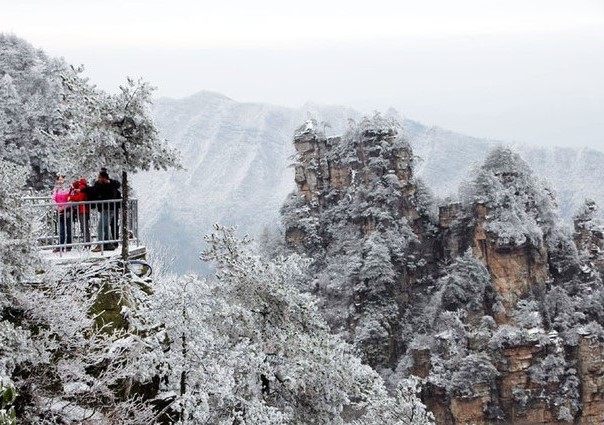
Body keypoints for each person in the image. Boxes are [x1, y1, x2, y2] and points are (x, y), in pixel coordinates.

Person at [90, 171, 121, 252]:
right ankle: (110, 244)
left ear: (105, 178)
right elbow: (94, 190)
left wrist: (108, 182)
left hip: (109, 208)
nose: (99, 179)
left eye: (101, 178)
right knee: (106, 226)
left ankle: (100, 245)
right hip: (104, 209)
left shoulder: (111, 185)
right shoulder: (99, 185)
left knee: (100, 227)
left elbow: (117, 185)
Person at [52, 175, 73, 252]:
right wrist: (58, 208)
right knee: (61, 229)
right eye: (59, 180)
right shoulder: (56, 189)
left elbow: (71, 200)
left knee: (69, 228)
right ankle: (60, 245)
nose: (60, 181)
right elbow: (53, 199)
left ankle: (69, 245)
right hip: (59, 211)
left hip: (67, 210)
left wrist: (63, 207)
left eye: (62, 179)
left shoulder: (69, 189)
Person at [69, 179, 91, 247]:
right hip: (83, 210)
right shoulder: (83, 187)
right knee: (84, 227)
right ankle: (86, 242)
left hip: (83, 210)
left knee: (84, 227)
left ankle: (87, 243)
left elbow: (79, 198)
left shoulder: (82, 187)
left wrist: (71, 197)